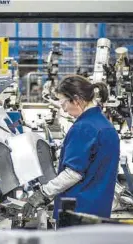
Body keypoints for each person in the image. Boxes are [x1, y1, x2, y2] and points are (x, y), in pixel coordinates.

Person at [23, 74, 120, 222]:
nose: (64, 110)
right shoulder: (104, 125)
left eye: (64, 104)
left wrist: (42, 194)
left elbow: (73, 173)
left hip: (77, 210)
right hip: (98, 209)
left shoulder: (84, 127)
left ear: (76, 100)